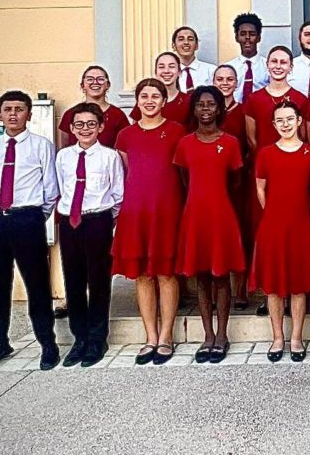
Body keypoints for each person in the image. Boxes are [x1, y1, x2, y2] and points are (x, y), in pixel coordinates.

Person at [0, 90, 59, 371]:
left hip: (27, 219)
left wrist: (34, 216)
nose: (13, 114)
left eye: (19, 109)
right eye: (8, 109)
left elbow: (50, 188)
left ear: (29, 114)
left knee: (36, 284)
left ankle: (47, 342)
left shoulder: (41, 145)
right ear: (0, 115)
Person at [113, 77, 186, 365]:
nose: (150, 101)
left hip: (167, 210)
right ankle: (150, 336)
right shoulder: (126, 135)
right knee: (142, 275)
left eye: (156, 96)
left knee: (166, 273)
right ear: (137, 100)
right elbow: (128, 171)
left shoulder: (177, 131)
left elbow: (179, 172)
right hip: (136, 211)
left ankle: (166, 336)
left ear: (164, 101)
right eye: (144, 96)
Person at [174, 86, 244, 363]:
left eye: (211, 105)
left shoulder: (230, 142)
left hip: (221, 215)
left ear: (219, 108)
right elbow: (183, 179)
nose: (206, 109)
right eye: (200, 105)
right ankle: (207, 335)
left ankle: (223, 335)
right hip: (195, 216)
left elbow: (236, 181)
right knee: (201, 276)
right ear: (194, 109)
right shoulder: (185, 143)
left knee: (221, 276)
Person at [54, 102, 125, 367]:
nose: (85, 129)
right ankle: (79, 339)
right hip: (71, 222)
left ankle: (97, 338)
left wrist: (107, 220)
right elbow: (61, 187)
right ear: (72, 128)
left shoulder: (109, 156)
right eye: (80, 124)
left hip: (98, 221)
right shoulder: (63, 157)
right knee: (73, 280)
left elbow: (118, 193)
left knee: (98, 281)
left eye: (91, 124)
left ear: (101, 127)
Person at [252, 100, 310, 362]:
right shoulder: (266, 154)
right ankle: (278, 337)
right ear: (274, 124)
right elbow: (261, 189)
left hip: (300, 226)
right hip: (272, 226)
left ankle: (296, 338)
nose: (285, 124)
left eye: (289, 119)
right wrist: (274, 211)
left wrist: (299, 210)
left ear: (299, 120)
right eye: (280, 120)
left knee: (298, 286)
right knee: (273, 287)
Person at [213, 63, 252, 310]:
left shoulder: (243, 110)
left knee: (240, 232)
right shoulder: (207, 110)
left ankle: (241, 289)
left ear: (237, 83)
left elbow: (250, 142)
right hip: (211, 182)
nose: (225, 82)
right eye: (220, 78)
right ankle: (218, 285)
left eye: (229, 79)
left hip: (238, 180)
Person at [244, 45, 310, 155]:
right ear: (267, 65)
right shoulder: (254, 99)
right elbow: (251, 139)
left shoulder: (301, 99)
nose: (278, 66)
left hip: (293, 159)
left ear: (291, 67)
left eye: (283, 62)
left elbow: (302, 136)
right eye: (274, 61)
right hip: (262, 161)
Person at [58, 65, 130, 148]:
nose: (95, 82)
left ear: (108, 85)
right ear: (82, 85)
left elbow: (124, 147)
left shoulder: (118, 115)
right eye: (90, 79)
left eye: (100, 79)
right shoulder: (70, 114)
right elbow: (63, 147)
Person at [130, 52, 192, 125]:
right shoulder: (146, 101)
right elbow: (135, 130)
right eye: (161, 67)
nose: (166, 71)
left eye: (171, 66)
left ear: (179, 72)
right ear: (155, 72)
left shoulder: (188, 101)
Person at [223, 12, 268, 103]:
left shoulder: (268, 66)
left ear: (258, 37)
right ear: (237, 37)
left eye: (252, 34)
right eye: (243, 34)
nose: (247, 37)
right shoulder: (228, 68)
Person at [172, 25, 215, 91]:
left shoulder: (212, 71)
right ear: (174, 46)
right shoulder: (169, 73)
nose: (186, 42)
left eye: (190, 39)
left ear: (197, 45)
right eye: (181, 39)